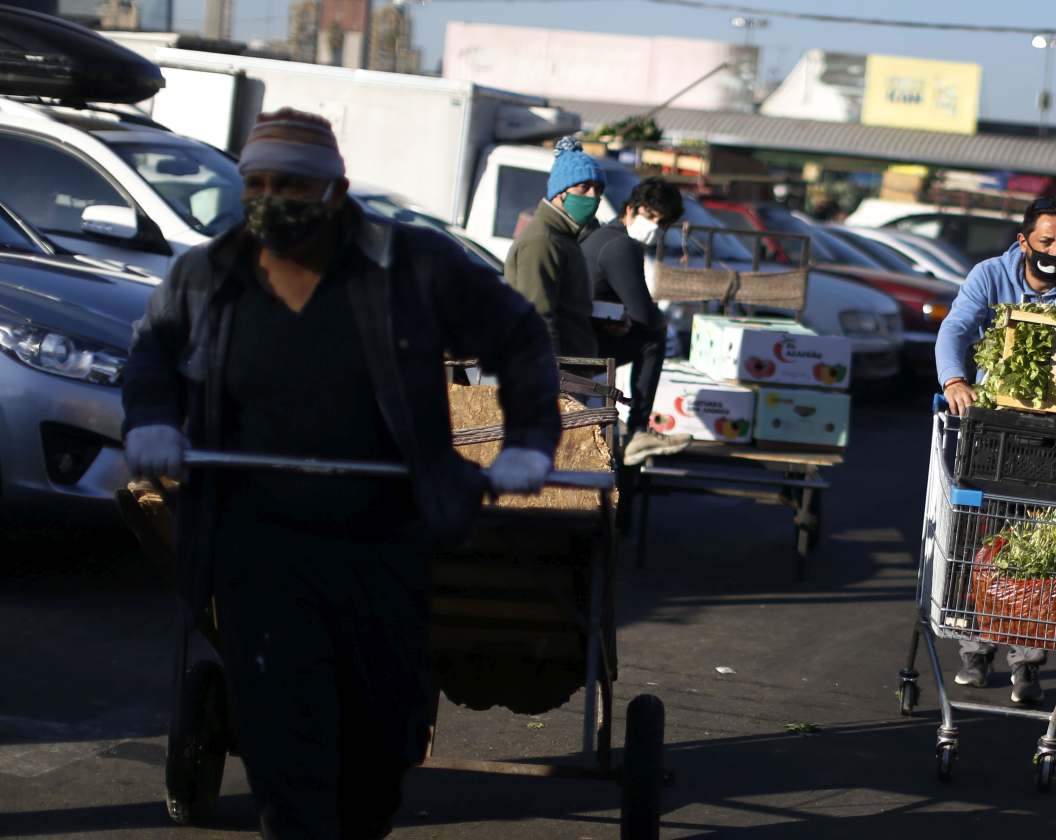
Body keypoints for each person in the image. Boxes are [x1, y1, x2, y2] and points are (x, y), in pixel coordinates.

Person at [120, 108, 563, 838]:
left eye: (291, 184)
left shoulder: (413, 265)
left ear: (336, 191)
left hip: (383, 538)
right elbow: (152, 353)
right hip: (257, 544)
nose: (270, 199)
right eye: (257, 183)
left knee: (382, 736)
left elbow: (518, 335)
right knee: (284, 741)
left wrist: (529, 442)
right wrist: (153, 421)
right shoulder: (207, 273)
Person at [934, 196, 1056, 704]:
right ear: (1023, 241)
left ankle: (1027, 660)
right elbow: (956, 328)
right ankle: (975, 648)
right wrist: (954, 379)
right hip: (992, 433)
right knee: (978, 539)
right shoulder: (990, 275)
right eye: (1045, 241)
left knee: (1039, 546)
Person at [580, 176, 692, 465]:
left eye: (661, 222)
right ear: (630, 208)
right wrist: (646, 317)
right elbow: (645, 315)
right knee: (654, 336)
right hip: (582, 348)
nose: (654, 226)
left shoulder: (602, 236)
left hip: (579, 336)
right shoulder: (622, 246)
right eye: (650, 215)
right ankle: (638, 430)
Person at [505, 135, 605, 357]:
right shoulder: (543, 240)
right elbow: (537, 317)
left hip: (575, 367)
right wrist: (549, 373)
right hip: (558, 371)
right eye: (584, 187)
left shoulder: (565, 236)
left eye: (598, 189)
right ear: (560, 192)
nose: (593, 196)